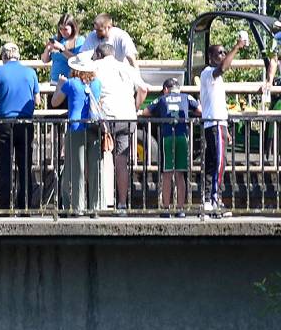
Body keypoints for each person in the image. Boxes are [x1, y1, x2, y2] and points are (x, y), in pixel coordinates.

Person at [93, 42, 148, 213]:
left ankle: (100, 202)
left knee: (98, 158)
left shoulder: (95, 66)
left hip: (105, 117)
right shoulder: (126, 67)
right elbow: (144, 89)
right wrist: (135, 107)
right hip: (127, 116)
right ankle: (122, 204)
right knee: (121, 161)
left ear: (99, 55)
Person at [0, 42, 40, 213]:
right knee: (25, 166)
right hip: (25, 124)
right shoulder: (30, 72)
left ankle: (4, 207)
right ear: (18, 55)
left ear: (3, 56)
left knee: (4, 166)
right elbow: (37, 100)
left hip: (4, 123)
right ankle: (24, 205)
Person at [50, 53, 103, 216]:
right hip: (94, 127)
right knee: (94, 169)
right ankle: (95, 207)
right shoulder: (97, 83)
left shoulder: (71, 83)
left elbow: (55, 102)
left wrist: (59, 84)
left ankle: (77, 207)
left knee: (77, 169)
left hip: (76, 128)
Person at [141, 78, 200, 216]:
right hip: (182, 136)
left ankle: (166, 209)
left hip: (168, 136)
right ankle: (180, 209)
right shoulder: (186, 97)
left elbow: (145, 112)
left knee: (167, 174)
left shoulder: (162, 98)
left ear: (166, 89)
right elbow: (200, 110)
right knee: (180, 174)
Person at [201, 39, 246, 217]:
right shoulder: (208, 72)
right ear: (211, 57)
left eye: (224, 52)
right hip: (214, 123)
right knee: (219, 163)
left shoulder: (216, 78)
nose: (223, 55)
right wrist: (236, 48)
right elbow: (223, 68)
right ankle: (214, 200)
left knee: (214, 163)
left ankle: (209, 202)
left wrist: (226, 130)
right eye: (219, 53)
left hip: (219, 124)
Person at [41, 14, 82, 108]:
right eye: (61, 29)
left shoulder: (79, 41)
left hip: (69, 83)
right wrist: (47, 49)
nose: (63, 32)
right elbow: (44, 60)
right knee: (53, 113)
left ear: (73, 28)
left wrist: (62, 49)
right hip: (54, 82)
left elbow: (77, 60)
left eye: (66, 29)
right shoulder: (56, 39)